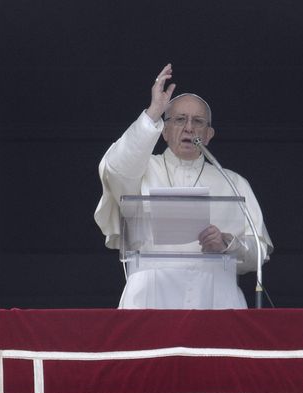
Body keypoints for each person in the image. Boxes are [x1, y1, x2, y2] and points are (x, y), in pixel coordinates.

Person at [95, 63, 272, 309]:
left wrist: (227, 243)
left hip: (215, 299)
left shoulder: (233, 181)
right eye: (179, 119)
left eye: (198, 121)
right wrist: (154, 111)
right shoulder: (143, 169)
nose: (189, 127)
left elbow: (260, 250)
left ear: (209, 134)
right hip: (151, 296)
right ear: (164, 131)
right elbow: (113, 169)